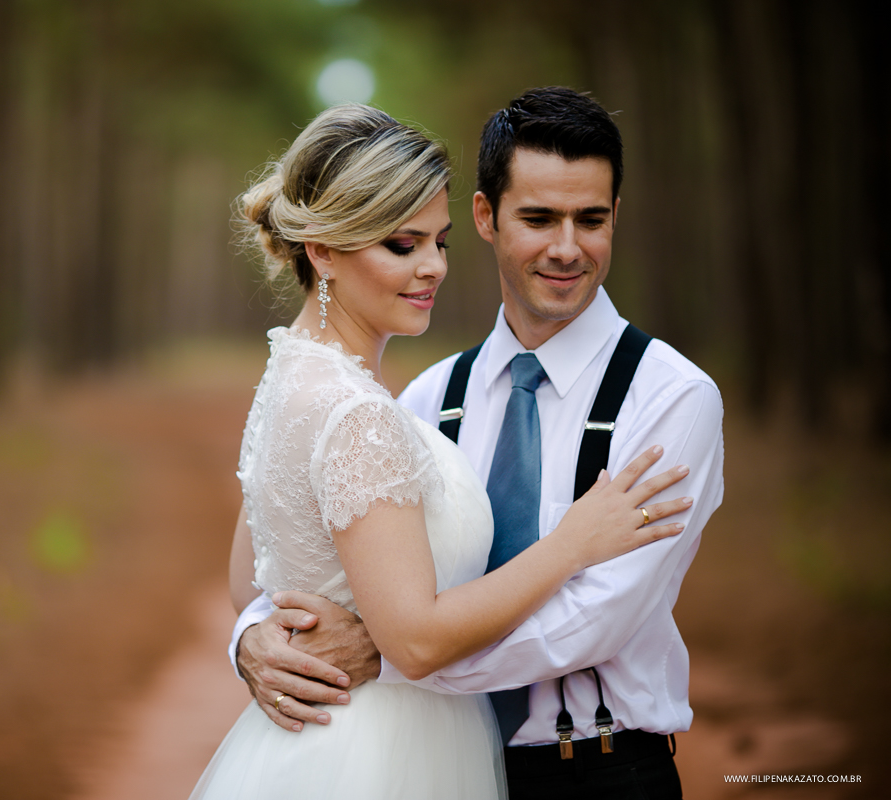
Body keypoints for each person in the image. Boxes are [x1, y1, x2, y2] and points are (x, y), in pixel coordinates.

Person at [231, 87, 725, 799]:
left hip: (598, 771)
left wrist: (390, 659)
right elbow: (310, 554)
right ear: (487, 217)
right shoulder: (428, 397)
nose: (566, 247)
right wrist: (251, 640)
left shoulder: (672, 398)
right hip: (437, 765)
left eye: (590, 219)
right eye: (538, 218)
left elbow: (596, 618)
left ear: (616, 216)